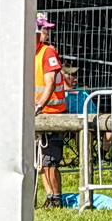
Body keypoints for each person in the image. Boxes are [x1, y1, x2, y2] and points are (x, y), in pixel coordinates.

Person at [31, 14, 67, 208]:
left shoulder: (48, 52)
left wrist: (38, 106)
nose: (47, 32)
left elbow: (50, 83)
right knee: (40, 160)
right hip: (37, 114)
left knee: (49, 160)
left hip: (52, 113)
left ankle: (56, 199)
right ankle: (49, 197)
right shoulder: (29, 52)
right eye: (44, 28)